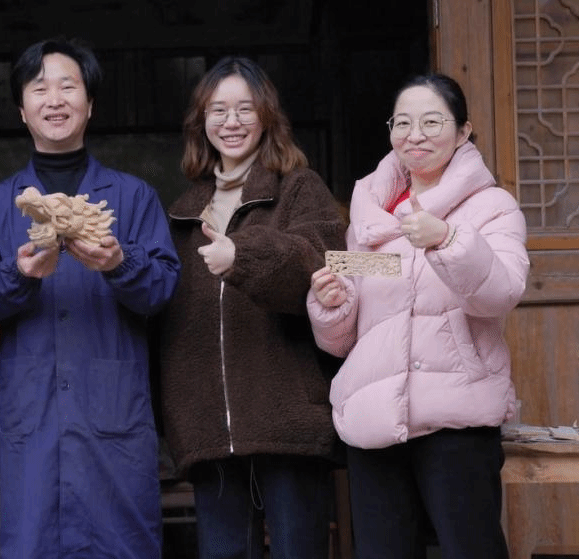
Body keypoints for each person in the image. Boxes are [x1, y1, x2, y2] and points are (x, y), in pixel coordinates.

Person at [0, 38, 180, 559]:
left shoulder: (133, 198)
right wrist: (17, 273)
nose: (54, 100)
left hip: (114, 415)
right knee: (33, 541)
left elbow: (164, 289)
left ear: (90, 104)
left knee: (122, 543)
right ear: (22, 110)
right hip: (33, 415)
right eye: (39, 89)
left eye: (68, 86)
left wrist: (119, 264)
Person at [307, 73, 529, 559]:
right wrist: (330, 303)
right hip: (375, 420)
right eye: (402, 123)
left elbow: (501, 294)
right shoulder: (370, 215)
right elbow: (345, 336)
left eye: (432, 122)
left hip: (457, 418)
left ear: (463, 131)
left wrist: (448, 239)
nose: (415, 135)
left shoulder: (492, 208)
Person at [159, 56, 346, 559]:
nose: (232, 122)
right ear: (201, 122)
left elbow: (322, 261)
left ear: (267, 116)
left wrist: (241, 256)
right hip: (209, 432)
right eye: (218, 110)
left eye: (245, 108)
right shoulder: (182, 210)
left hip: (288, 425)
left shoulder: (299, 188)